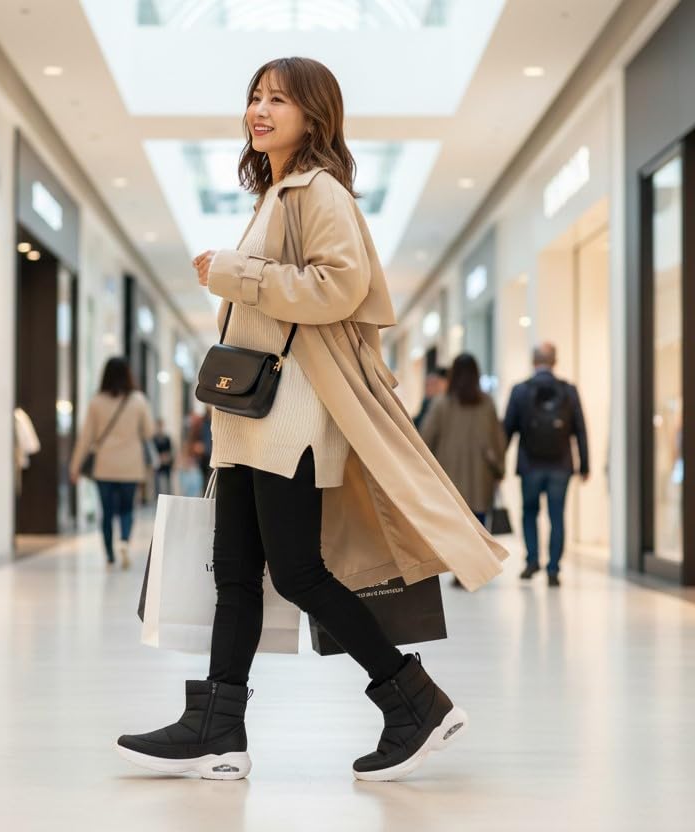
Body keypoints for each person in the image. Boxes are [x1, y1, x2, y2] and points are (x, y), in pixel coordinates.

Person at [116, 57, 507, 782]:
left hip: (288, 418)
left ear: (313, 114)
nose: (259, 111)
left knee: (296, 572)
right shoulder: (274, 194)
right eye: (254, 98)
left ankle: (413, 701)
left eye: (278, 100)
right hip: (247, 418)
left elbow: (339, 286)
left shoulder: (318, 191)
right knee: (236, 572)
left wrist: (235, 273)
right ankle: (218, 726)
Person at [503, 342, 589, 587]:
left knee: (529, 513)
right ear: (555, 361)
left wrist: (498, 465)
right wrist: (585, 465)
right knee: (557, 515)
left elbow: (507, 429)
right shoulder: (568, 391)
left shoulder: (520, 390)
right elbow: (580, 429)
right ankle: (553, 568)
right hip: (561, 465)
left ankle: (531, 561)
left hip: (529, 465)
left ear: (533, 361)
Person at [421, 354, 505, 586]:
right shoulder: (486, 403)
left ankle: (462, 570)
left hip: (450, 477)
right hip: (481, 476)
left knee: (457, 525)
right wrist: (499, 468)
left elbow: (425, 438)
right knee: (478, 522)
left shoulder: (441, 404)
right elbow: (497, 440)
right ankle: (476, 567)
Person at [70, 357, 154, 569]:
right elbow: (149, 431)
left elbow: (86, 437)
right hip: (131, 466)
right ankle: (124, 540)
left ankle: (109, 556)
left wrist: (75, 466)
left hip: (104, 466)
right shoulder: (138, 400)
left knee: (107, 513)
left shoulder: (97, 402)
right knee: (127, 509)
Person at [413, 367, 448, 433]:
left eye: (433, 384)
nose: (428, 388)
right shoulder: (427, 402)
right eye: (427, 385)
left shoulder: (442, 405)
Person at [151, 419, 174, 496]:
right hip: (158, 462)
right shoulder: (154, 438)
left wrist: (166, 457)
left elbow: (170, 450)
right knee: (157, 481)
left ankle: (168, 495)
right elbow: (153, 451)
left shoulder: (167, 438)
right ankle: (157, 496)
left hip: (166, 462)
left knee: (168, 481)